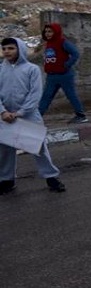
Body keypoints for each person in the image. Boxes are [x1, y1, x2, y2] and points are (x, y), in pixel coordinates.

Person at [0, 37, 66, 194]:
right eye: (4, 49)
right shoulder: (1, 69)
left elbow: (35, 94)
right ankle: (7, 179)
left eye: (11, 48)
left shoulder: (32, 69)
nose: (7, 52)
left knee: (38, 147)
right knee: (4, 149)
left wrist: (20, 112)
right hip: (5, 116)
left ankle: (51, 177)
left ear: (20, 49)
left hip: (28, 115)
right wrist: (3, 111)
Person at [37, 23, 88, 123]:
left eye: (50, 31)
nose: (47, 34)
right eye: (46, 32)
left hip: (64, 75)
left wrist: (66, 65)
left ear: (56, 32)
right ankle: (37, 117)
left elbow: (75, 53)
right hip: (51, 76)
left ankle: (81, 115)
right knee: (46, 96)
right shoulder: (48, 43)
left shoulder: (63, 42)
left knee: (71, 95)